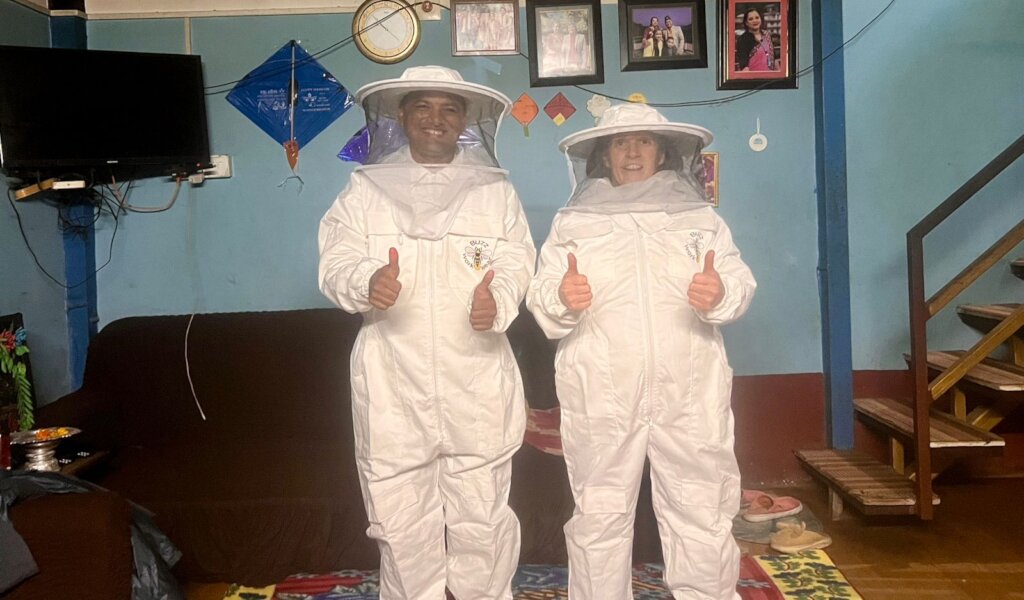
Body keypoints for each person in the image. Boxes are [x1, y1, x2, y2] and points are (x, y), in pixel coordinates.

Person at [318, 66, 535, 600]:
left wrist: (498, 300)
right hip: (394, 380)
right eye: (423, 108)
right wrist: (367, 282)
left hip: (476, 377)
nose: (436, 120)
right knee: (400, 521)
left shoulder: (493, 191)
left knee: (482, 519)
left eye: (448, 109)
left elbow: (516, 260)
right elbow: (336, 259)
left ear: (464, 120)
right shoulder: (365, 189)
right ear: (402, 116)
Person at [527, 103, 756, 600]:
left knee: (701, 506)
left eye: (645, 142)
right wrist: (562, 300)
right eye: (620, 143)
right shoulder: (574, 224)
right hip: (602, 390)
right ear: (603, 156)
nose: (632, 152)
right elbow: (543, 297)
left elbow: (738, 283)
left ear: (664, 153)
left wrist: (720, 295)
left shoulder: (700, 219)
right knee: (599, 512)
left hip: (689, 388)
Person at [735, 7, 776, 71]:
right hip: (753, 78)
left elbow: (774, 58)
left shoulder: (767, 35)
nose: (755, 21)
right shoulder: (742, 39)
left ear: (761, 19)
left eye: (757, 18)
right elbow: (744, 66)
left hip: (770, 76)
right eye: (751, 19)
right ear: (746, 23)